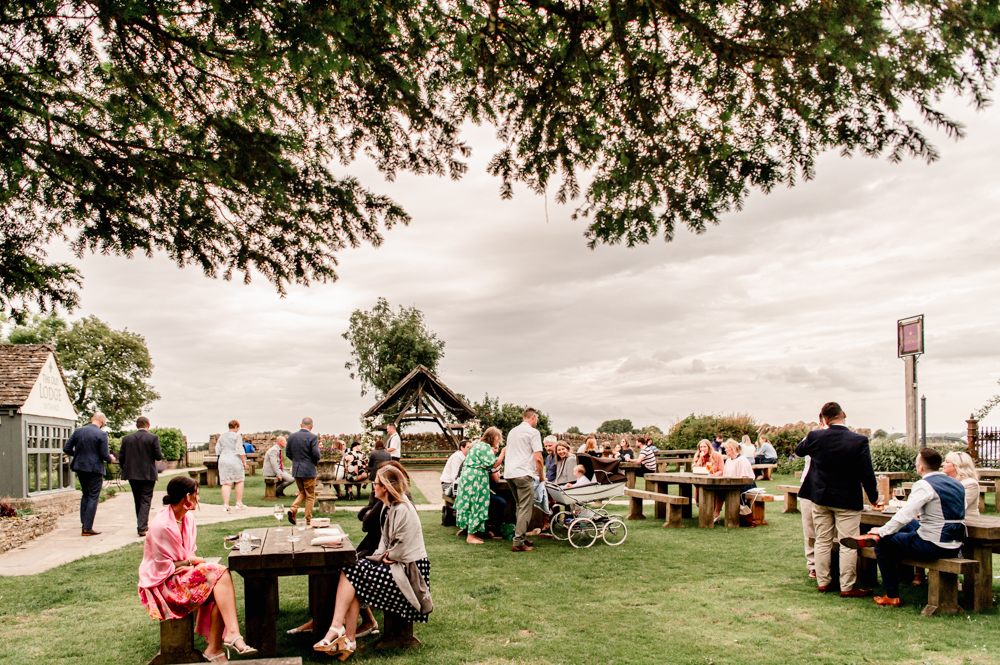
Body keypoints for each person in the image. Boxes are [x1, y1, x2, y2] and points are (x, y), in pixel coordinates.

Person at [314, 465, 432, 659]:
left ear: (385, 487)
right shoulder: (389, 506)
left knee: (353, 573)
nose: (372, 486)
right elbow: (383, 547)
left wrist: (386, 556)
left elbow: (400, 550)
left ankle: (341, 632)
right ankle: (345, 637)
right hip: (395, 566)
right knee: (352, 570)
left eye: (375, 483)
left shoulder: (402, 508)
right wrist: (381, 556)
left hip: (410, 573)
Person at [139, 476, 257, 661]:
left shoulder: (188, 519)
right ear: (187, 497)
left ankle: (217, 647)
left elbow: (186, 557)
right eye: (197, 495)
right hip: (164, 586)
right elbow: (166, 566)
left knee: (221, 590)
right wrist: (193, 562)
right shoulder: (162, 525)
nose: (198, 499)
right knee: (220, 573)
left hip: (180, 577)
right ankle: (227, 640)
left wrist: (189, 563)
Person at [842, 448, 967, 607]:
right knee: (907, 525)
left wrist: (881, 530)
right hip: (955, 544)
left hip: (934, 544)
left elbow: (905, 514)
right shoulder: (957, 484)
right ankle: (875, 536)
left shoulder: (924, 485)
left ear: (920, 467)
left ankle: (891, 595)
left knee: (883, 544)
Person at [794, 402, 878, 598]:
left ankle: (823, 582)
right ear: (844, 414)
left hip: (821, 497)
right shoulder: (858, 440)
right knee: (847, 542)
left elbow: (799, 450)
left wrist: (815, 433)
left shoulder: (815, 436)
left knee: (822, 540)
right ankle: (847, 586)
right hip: (847, 498)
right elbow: (867, 473)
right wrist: (873, 497)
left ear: (824, 419)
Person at [63, 412, 116, 536]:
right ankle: (88, 527)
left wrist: (79, 455)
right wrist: (111, 459)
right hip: (94, 469)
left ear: (92, 419)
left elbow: (66, 449)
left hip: (80, 467)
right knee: (93, 496)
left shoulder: (78, 431)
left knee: (85, 494)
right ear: (103, 422)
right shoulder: (102, 434)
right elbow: (104, 455)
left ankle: (84, 524)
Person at [454, 427, 507, 544]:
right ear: (492, 438)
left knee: (470, 503)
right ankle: (471, 536)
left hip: (468, 476)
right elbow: (493, 464)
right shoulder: (485, 447)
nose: (498, 442)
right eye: (497, 439)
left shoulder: (477, 445)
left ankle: (475, 531)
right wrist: (503, 453)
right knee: (477, 504)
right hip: (475, 479)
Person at [504, 408, 544, 552]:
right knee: (525, 509)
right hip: (523, 474)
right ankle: (519, 543)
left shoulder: (512, 431)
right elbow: (538, 458)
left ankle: (520, 536)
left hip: (509, 474)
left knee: (520, 507)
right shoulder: (533, 433)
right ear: (533, 417)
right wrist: (541, 476)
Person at [119, 416, 163, 537]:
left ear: (136, 426)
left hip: (132, 473)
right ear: (148, 425)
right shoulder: (153, 438)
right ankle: (142, 526)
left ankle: (141, 524)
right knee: (146, 499)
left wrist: (126, 469)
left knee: (137, 499)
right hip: (148, 473)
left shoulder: (127, 439)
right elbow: (158, 456)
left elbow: (121, 457)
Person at [287, 417, 321, 526]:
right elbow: (316, 454)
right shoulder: (313, 437)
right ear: (311, 427)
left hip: (297, 470)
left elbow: (288, 453)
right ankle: (307, 520)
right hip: (308, 470)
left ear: (301, 425)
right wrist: (313, 463)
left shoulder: (292, 436)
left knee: (303, 492)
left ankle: (293, 509)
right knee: (310, 495)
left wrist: (297, 461)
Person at [714, 440, 755, 522]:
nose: (725, 450)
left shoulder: (742, 460)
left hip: (746, 485)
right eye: (725, 448)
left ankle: (728, 516)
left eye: (727, 448)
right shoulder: (728, 461)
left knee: (725, 492)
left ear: (734, 449)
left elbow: (745, 478)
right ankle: (716, 513)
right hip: (732, 485)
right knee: (717, 490)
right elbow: (725, 476)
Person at [216, 420, 248, 512]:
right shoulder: (237, 436)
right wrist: (244, 461)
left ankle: (226, 505)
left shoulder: (222, 436)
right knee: (239, 480)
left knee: (226, 483)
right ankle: (238, 502)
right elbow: (239, 449)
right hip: (234, 459)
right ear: (236, 427)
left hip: (223, 459)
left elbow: (217, 449)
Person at [944, 451, 980, 517]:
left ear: (958, 465)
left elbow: (958, 506)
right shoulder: (944, 480)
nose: (943, 464)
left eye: (947, 462)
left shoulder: (970, 483)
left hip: (968, 521)